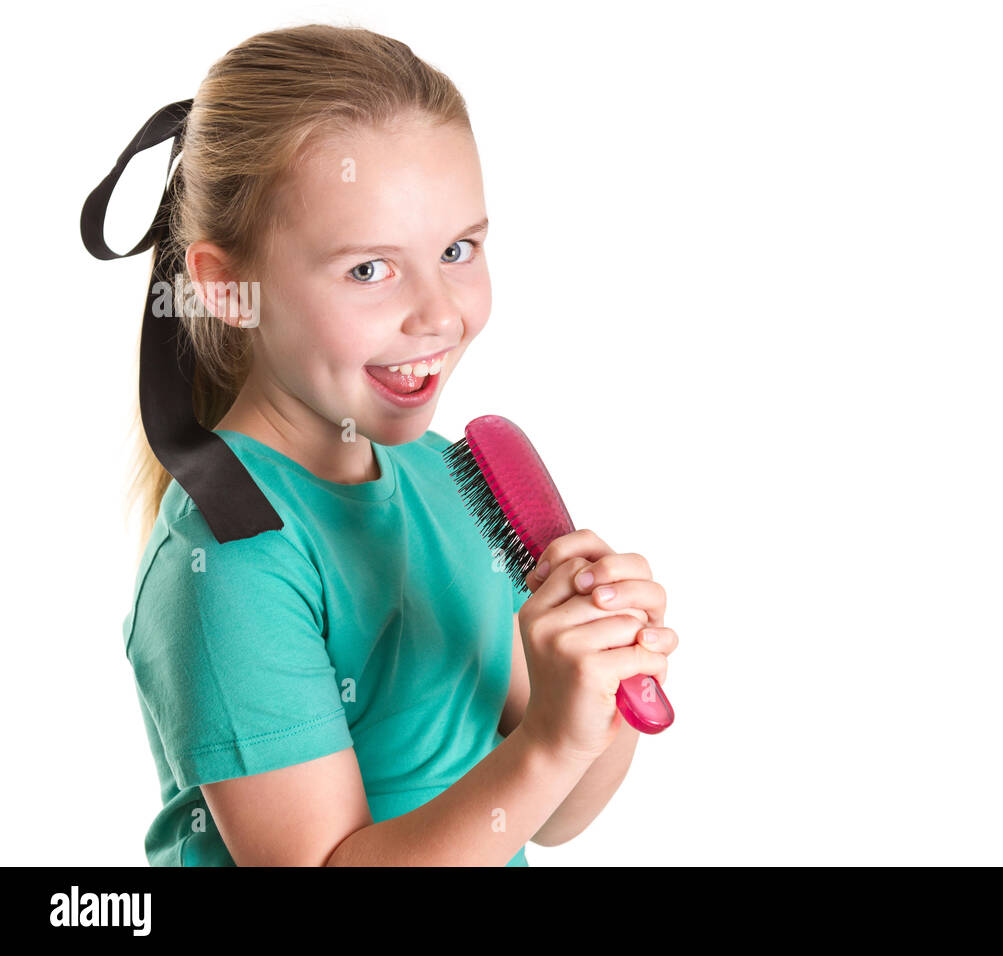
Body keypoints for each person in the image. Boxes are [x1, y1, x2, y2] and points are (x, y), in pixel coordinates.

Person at [97, 23, 678, 866]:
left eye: (457, 250)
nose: (439, 313)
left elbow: (553, 816)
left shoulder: (444, 477)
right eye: (369, 269)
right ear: (229, 289)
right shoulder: (230, 560)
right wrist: (547, 744)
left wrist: (589, 691)